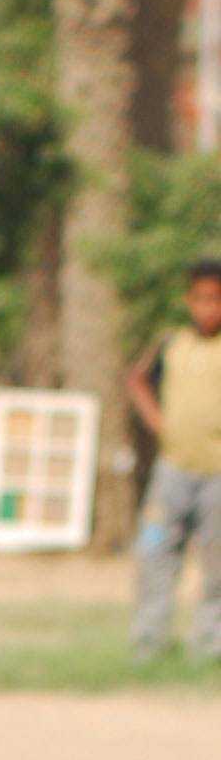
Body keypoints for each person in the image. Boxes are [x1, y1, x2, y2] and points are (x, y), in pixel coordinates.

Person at [126, 255, 221, 662]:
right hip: (173, 470)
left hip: (217, 474)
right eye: (200, 299)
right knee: (154, 551)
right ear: (188, 301)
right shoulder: (172, 344)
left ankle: (210, 644)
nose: (207, 308)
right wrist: (160, 424)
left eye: (215, 299)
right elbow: (137, 380)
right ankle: (150, 640)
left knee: (216, 563)